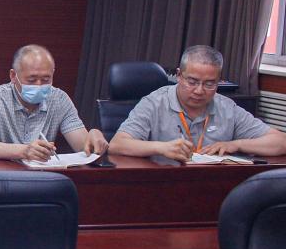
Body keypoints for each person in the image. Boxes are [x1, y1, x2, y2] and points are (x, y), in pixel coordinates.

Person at [109, 45, 286, 162]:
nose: (199, 90)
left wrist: (235, 145)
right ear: (179, 76)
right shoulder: (154, 103)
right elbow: (117, 144)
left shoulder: (226, 107)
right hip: (162, 184)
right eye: (192, 82)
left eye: (209, 84)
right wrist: (161, 148)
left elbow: (281, 141)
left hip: (210, 186)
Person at [0, 44, 108, 161]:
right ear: (13, 76)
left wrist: (93, 137)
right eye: (31, 80)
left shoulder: (59, 99)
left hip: (42, 178)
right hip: (2, 177)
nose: (39, 85)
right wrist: (23, 151)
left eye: (46, 79)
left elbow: (83, 147)